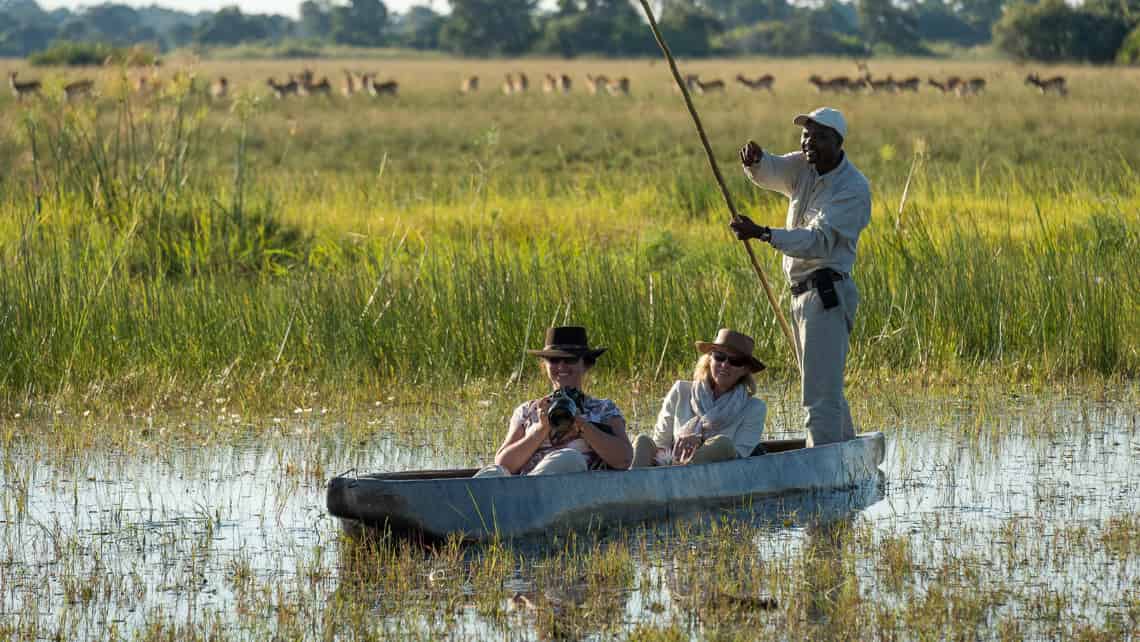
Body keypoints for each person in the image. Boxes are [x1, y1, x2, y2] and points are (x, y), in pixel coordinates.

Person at [729, 107, 870, 447]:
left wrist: (763, 234)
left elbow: (816, 240)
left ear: (838, 143)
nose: (809, 142)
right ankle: (848, 454)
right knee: (823, 383)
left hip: (825, 293)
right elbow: (772, 170)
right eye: (806, 135)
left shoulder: (852, 189)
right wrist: (756, 161)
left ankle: (824, 469)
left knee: (818, 395)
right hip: (800, 295)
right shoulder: (803, 167)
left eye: (819, 137)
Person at [475, 326, 632, 477]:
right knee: (492, 472)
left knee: (570, 458)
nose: (561, 366)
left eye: (570, 360)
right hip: (526, 489)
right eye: (554, 360)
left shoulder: (603, 408)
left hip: (572, 491)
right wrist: (541, 429)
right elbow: (503, 464)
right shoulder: (528, 410)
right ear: (545, 365)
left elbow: (624, 459)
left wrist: (581, 424)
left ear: (585, 364)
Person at [631, 328, 767, 468]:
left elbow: (739, 457)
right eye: (719, 356)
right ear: (709, 359)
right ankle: (631, 485)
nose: (725, 365)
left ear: (745, 369)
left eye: (735, 361)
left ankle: (682, 473)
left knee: (723, 444)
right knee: (642, 441)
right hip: (667, 467)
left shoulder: (755, 408)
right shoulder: (680, 391)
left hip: (716, 477)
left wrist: (699, 441)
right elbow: (660, 443)